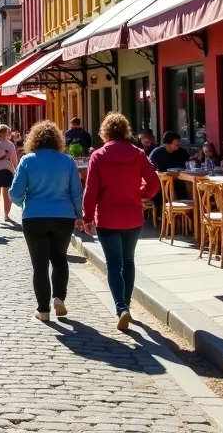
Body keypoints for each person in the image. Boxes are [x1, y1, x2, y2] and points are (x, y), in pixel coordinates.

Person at [82, 113, 161, 332]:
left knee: (114, 265)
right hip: (132, 216)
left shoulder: (98, 156)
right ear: (126, 131)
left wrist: (87, 217)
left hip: (107, 217)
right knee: (128, 261)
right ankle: (127, 305)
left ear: (105, 132)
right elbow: (154, 184)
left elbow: (91, 191)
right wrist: (140, 194)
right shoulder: (137, 154)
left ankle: (121, 307)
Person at [10, 122, 83, 321]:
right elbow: (76, 192)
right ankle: (59, 297)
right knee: (60, 259)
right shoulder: (67, 161)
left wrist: (25, 202)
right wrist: (79, 215)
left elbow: (15, 193)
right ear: (57, 140)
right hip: (63, 216)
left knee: (39, 265)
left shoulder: (27, 161)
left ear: (33, 139)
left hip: (34, 216)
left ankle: (43, 310)